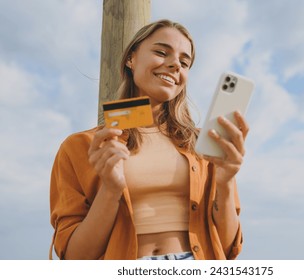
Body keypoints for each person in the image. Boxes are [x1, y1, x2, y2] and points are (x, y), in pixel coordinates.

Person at [49, 19, 249, 260]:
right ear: (130, 59)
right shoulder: (79, 147)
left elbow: (227, 250)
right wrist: (110, 191)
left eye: (184, 62)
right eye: (161, 52)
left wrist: (225, 182)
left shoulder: (203, 145)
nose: (175, 64)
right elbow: (75, 258)